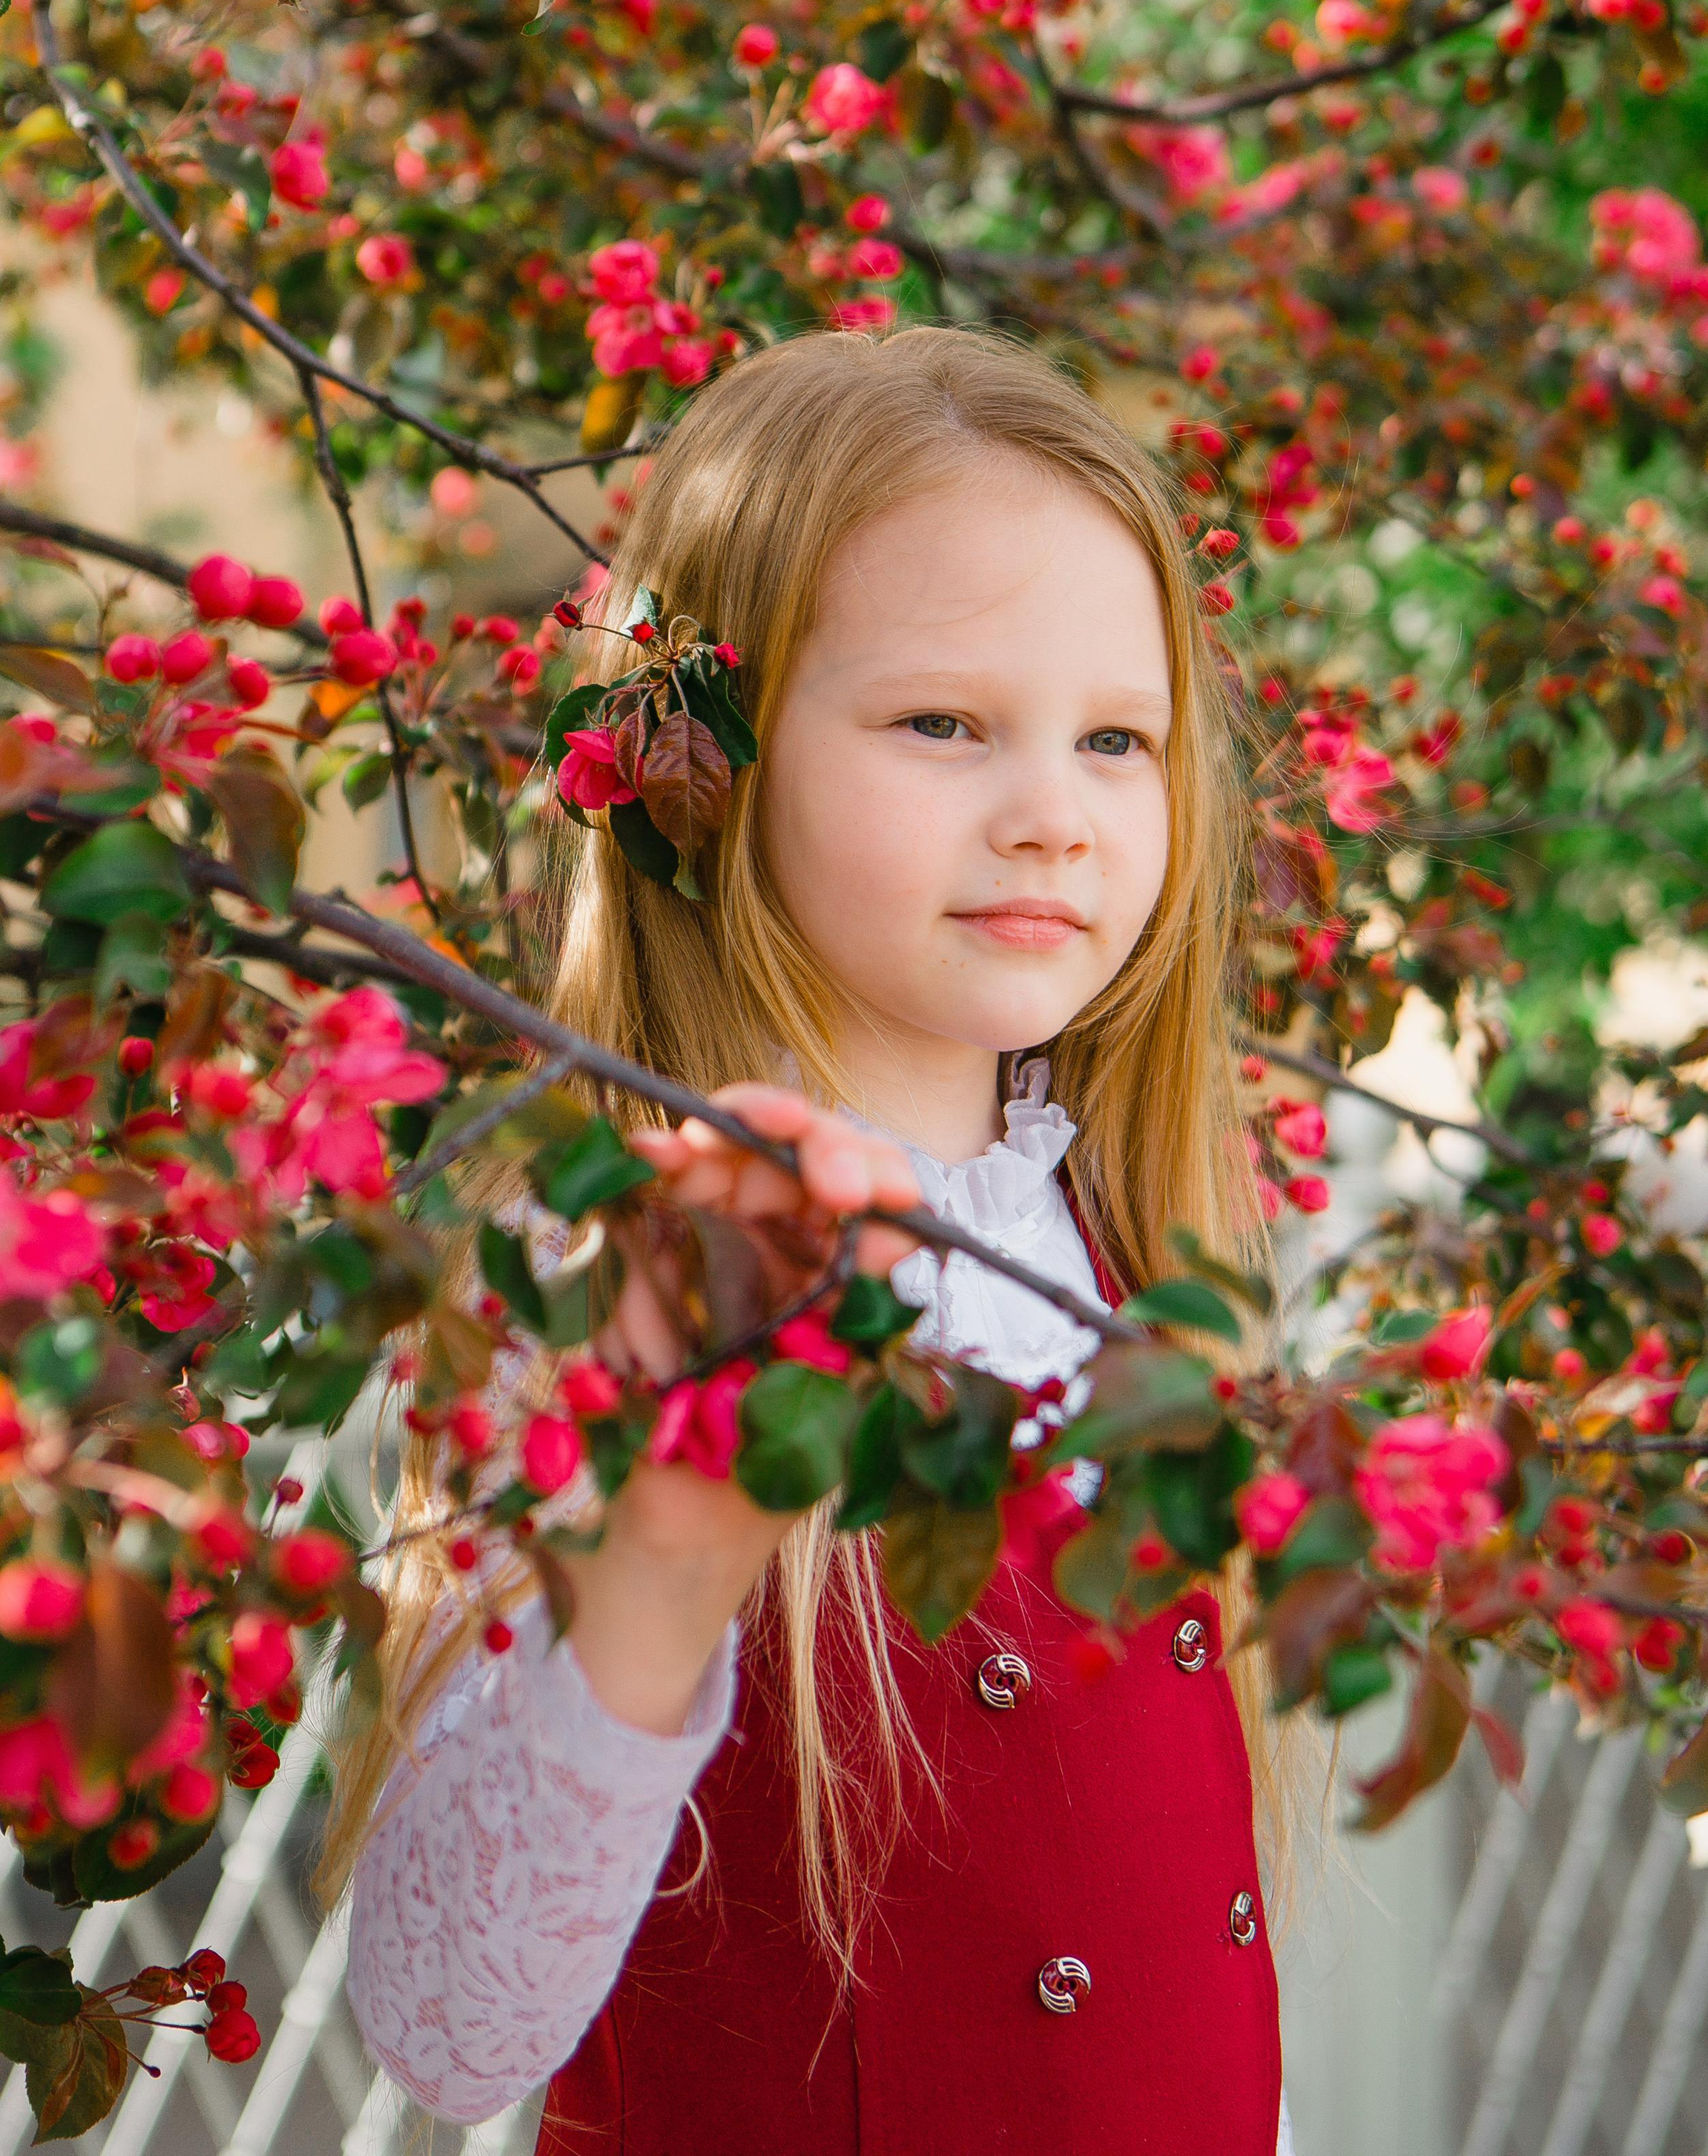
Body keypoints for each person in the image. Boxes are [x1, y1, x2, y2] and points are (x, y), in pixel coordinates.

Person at [330, 326, 1293, 2154]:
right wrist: (653, 1580)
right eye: (942, 721)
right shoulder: (623, 1260)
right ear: (700, 763)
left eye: (1115, 737)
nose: (1051, 813)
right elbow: (445, 2027)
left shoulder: (1118, 1240)